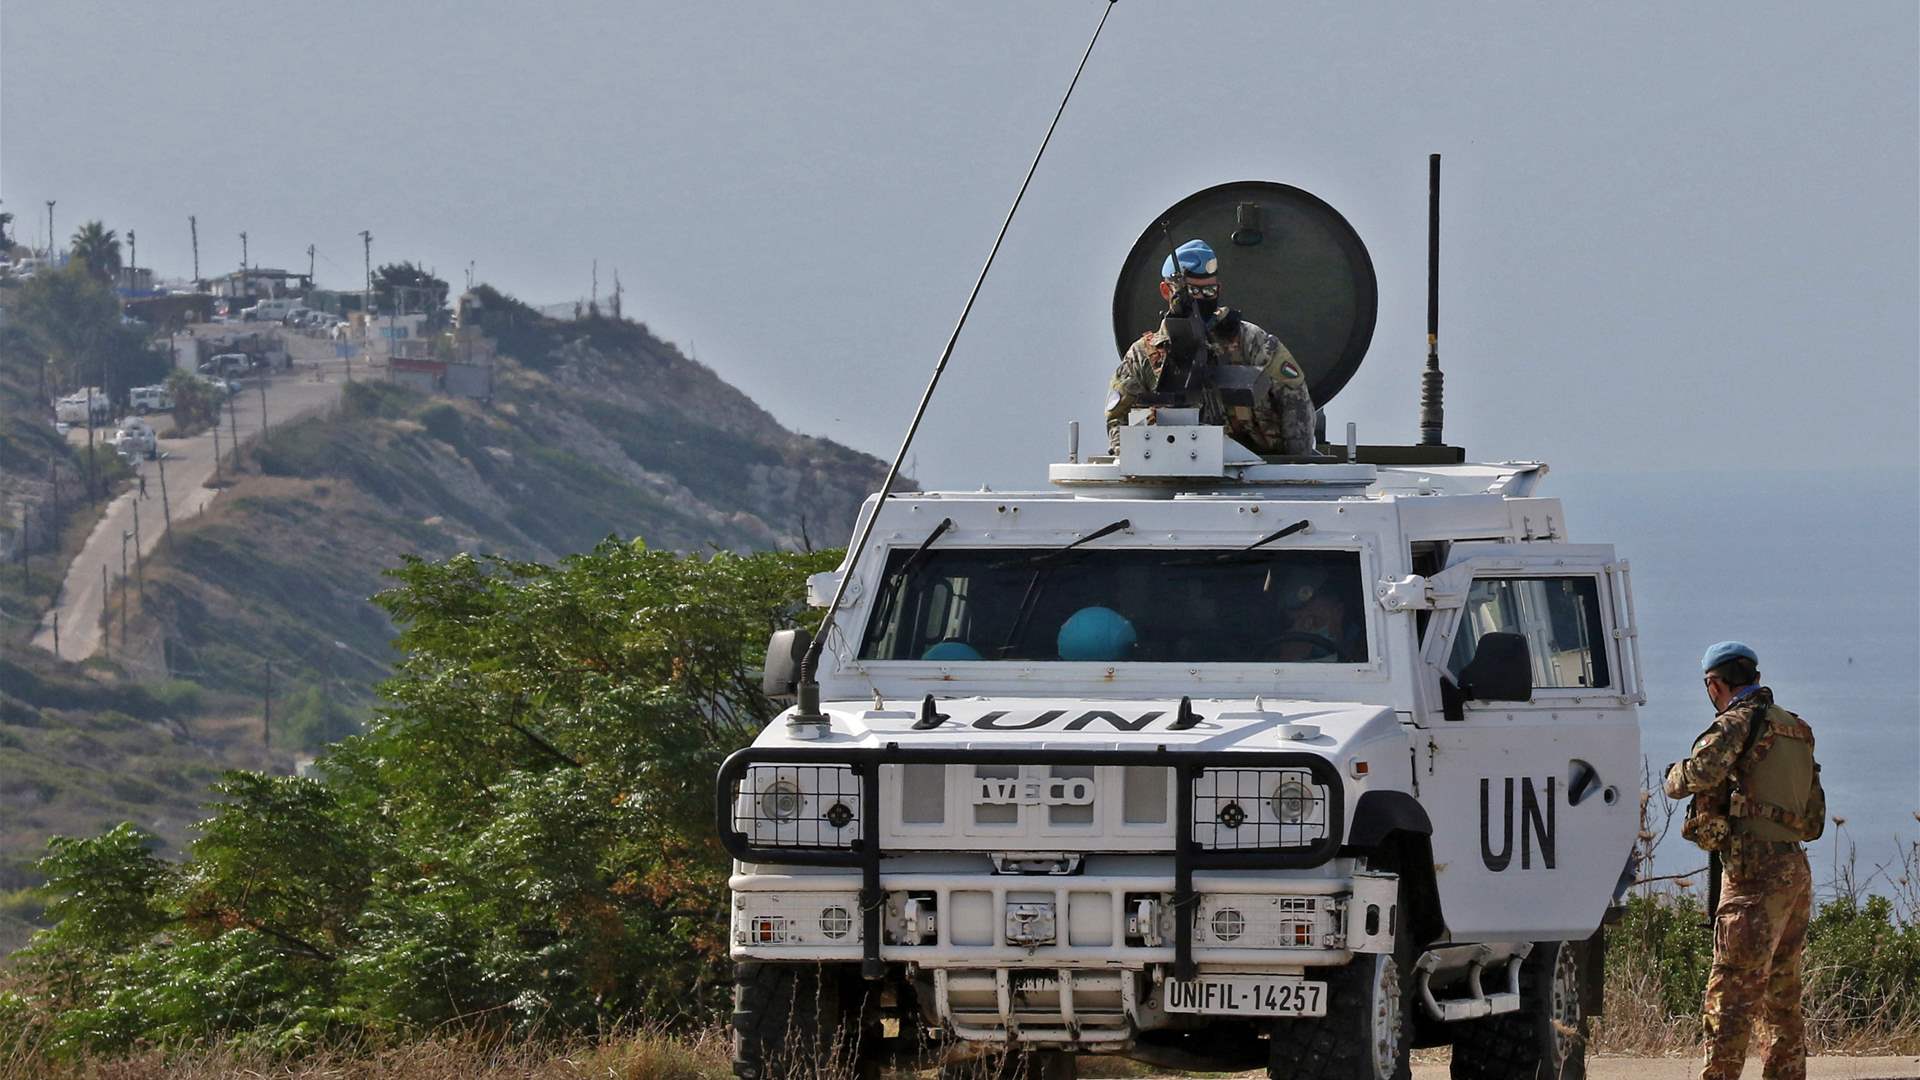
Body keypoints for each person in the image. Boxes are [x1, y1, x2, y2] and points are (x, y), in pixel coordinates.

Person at [1663, 642, 1825, 1080]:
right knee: (1781, 998)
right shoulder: (1796, 728)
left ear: (1715, 684)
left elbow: (1697, 774)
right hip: (1794, 871)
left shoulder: (1735, 723)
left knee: (1729, 997)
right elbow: (1813, 821)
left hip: (1753, 876)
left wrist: (1671, 776)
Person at [1105, 238, 1314, 455]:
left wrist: (1294, 467)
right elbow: (1118, 418)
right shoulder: (1142, 356)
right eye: (1193, 293)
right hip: (1174, 474)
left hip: (1258, 471)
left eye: (1209, 291)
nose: (1202, 299)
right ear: (1166, 291)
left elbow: (1294, 399)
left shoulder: (1252, 342)